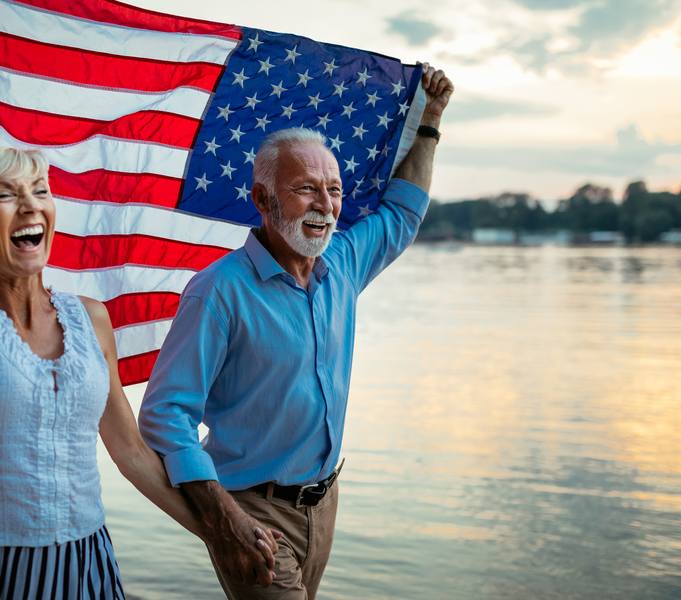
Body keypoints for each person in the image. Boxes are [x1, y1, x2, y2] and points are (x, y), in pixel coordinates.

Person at [0, 0, 278, 597]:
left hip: (85, 561)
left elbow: (133, 454)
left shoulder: (88, 318)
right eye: (4, 194)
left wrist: (218, 531)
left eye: (39, 191)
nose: (29, 205)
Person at [138, 65, 454, 599]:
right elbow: (165, 415)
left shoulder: (345, 264)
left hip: (326, 503)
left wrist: (430, 122)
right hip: (253, 511)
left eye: (332, 190)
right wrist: (224, 519)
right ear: (263, 201)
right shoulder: (218, 292)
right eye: (305, 189)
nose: (326, 206)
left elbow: (403, 209)